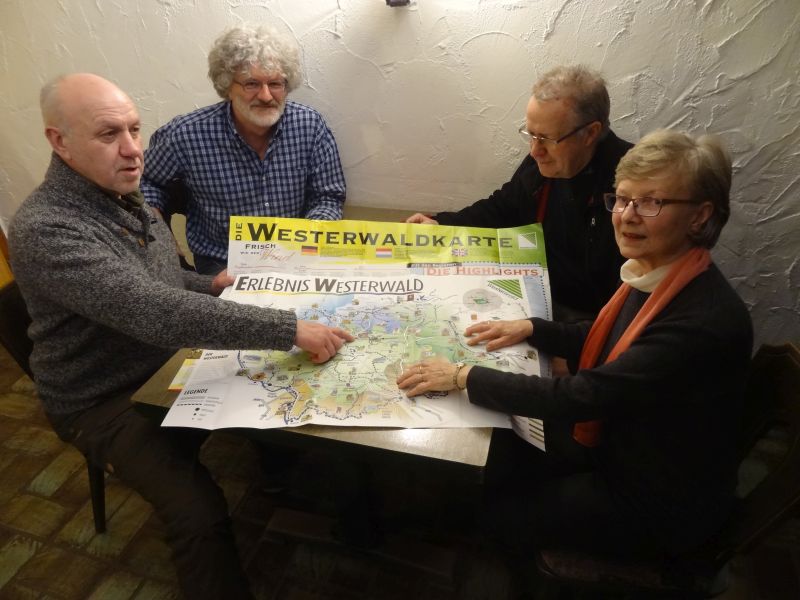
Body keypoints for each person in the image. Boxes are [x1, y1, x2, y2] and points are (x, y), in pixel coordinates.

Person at [8, 73, 354, 599]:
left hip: (165, 358)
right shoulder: (48, 227)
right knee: (198, 514)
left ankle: (321, 498)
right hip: (104, 397)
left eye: (134, 129)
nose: (132, 150)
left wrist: (207, 281)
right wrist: (288, 329)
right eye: (108, 135)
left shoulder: (121, 194)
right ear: (61, 142)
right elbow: (151, 308)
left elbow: (153, 278)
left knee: (300, 403)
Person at [397, 130, 752, 564]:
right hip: (622, 443)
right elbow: (614, 339)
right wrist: (532, 327)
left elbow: (583, 396)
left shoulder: (703, 322)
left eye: (652, 202)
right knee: (501, 445)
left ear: (701, 216)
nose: (626, 216)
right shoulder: (663, 272)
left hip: (651, 496)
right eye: (621, 199)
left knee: (495, 511)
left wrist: (461, 375)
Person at [407, 65, 633, 321]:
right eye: (531, 135)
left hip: (589, 324)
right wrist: (441, 224)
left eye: (547, 139)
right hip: (536, 302)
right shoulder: (546, 166)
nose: (535, 151)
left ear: (590, 133)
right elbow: (502, 208)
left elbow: (626, 305)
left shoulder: (631, 187)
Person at [141, 23, 346, 275]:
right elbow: (145, 181)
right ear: (227, 86)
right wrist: (157, 231)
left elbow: (328, 195)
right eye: (251, 84)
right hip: (222, 264)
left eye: (275, 83)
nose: (266, 95)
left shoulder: (310, 126)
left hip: (295, 260)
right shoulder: (186, 134)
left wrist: (309, 237)